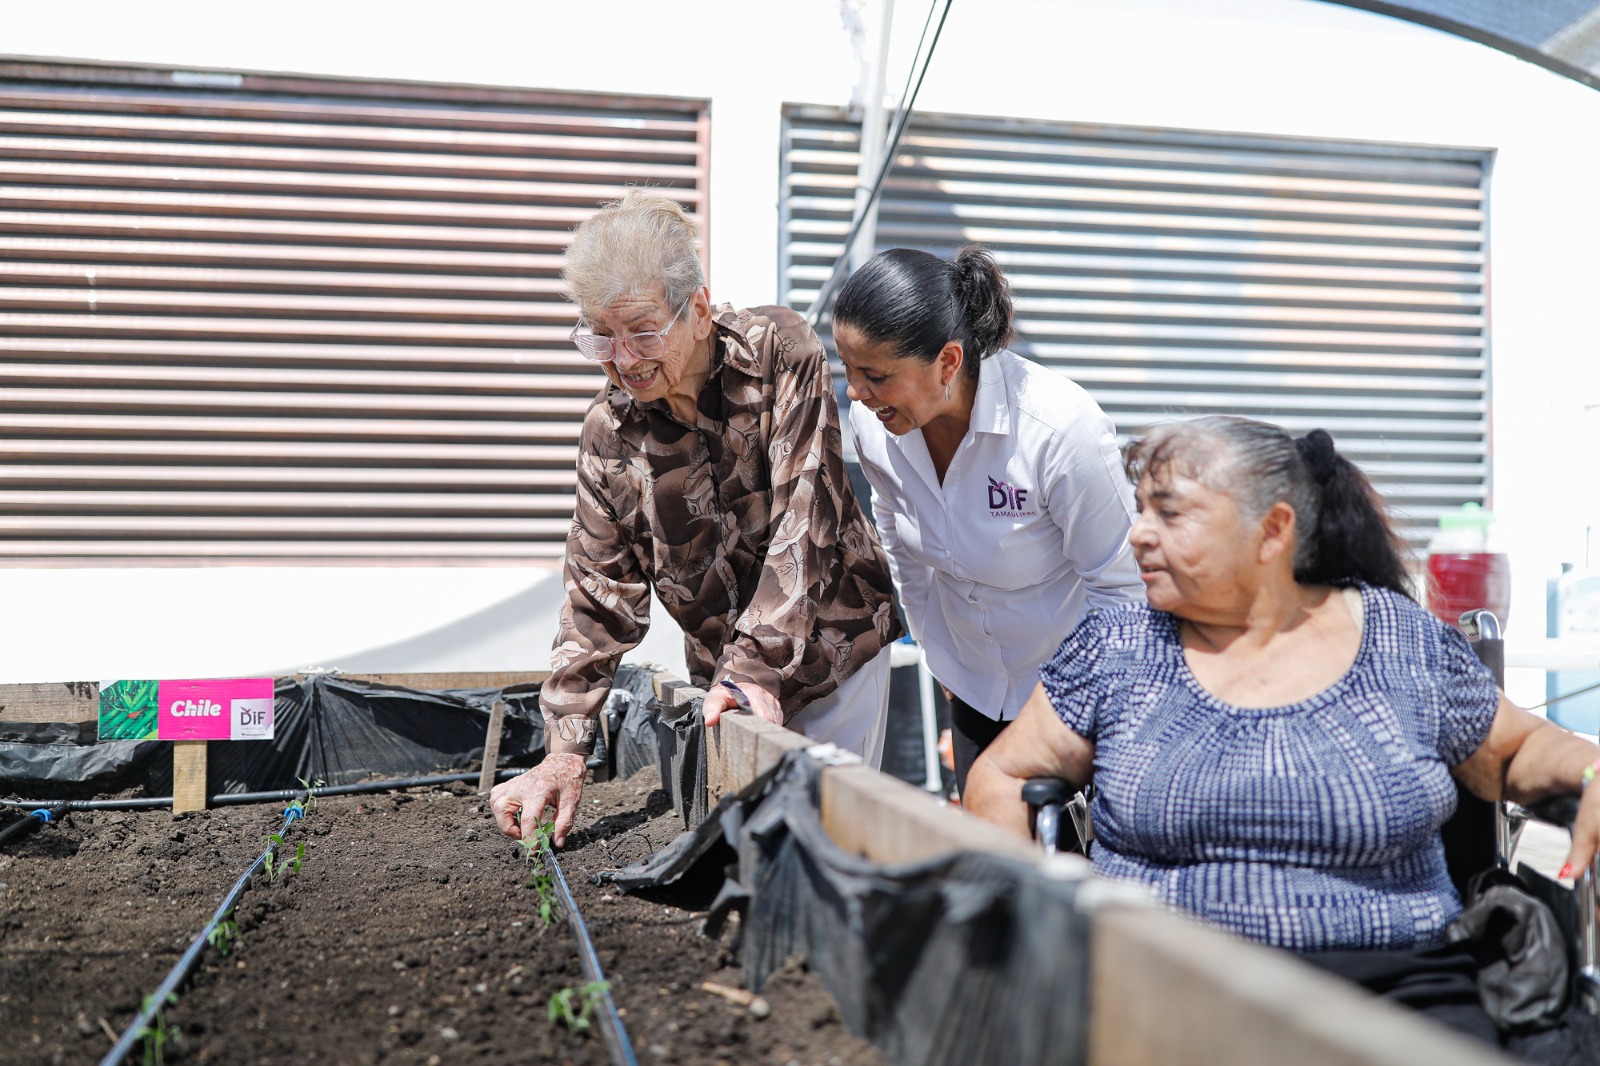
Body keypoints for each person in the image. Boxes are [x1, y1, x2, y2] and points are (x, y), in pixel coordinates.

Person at [965, 415, 1600, 1053]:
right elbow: (1002, 774)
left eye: (1170, 513)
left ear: (1272, 530)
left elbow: (1518, 749)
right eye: (1139, 510)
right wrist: (1031, 935)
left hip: (1395, 990)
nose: (1137, 535)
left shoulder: (1401, 640)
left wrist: (1592, 769)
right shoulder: (1118, 647)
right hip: (1165, 984)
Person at [491, 191, 903, 846]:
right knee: (741, 853)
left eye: (644, 333)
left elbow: (808, 520)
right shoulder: (609, 435)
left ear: (700, 310)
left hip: (832, 649)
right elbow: (599, 599)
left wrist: (756, 665)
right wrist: (565, 750)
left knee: (829, 846)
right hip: (724, 677)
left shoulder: (780, 354)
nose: (624, 360)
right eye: (601, 337)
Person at [834, 245, 1143, 796]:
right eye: (849, 370)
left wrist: (1079, 709)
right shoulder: (875, 425)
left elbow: (1123, 592)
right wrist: (942, 661)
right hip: (973, 691)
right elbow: (902, 547)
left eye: (875, 375)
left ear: (948, 362)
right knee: (993, 863)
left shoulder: (1058, 430)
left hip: (1073, 701)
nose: (856, 393)